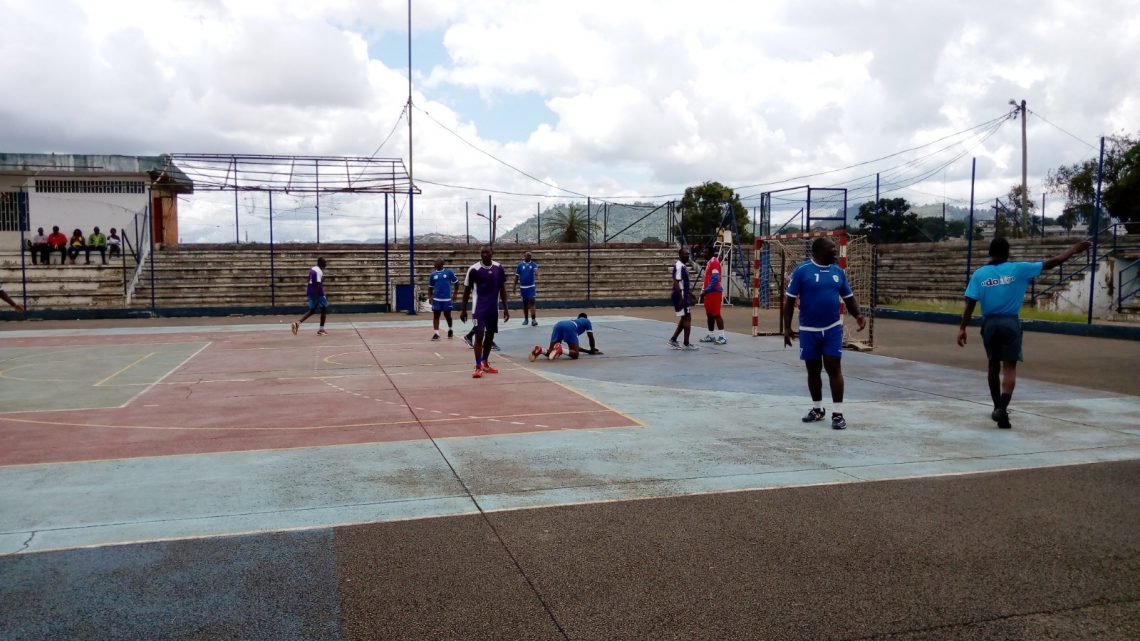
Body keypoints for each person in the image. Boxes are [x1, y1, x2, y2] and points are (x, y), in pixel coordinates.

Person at [957, 237, 1090, 429]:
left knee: (993, 366)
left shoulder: (980, 274)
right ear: (1007, 252)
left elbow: (970, 303)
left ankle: (997, 409)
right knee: (1009, 367)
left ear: (989, 253)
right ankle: (1002, 409)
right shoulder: (1019, 269)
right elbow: (1055, 262)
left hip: (990, 323)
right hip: (1010, 322)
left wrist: (963, 328)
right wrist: (1075, 249)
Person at [782, 237, 866, 430]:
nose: (835, 252)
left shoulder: (838, 272)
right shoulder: (802, 271)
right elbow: (789, 301)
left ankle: (838, 413)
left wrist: (858, 315)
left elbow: (849, 297)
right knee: (813, 370)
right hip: (808, 330)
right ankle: (817, 409)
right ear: (819, 252)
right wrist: (787, 327)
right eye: (832, 249)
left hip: (832, 329)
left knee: (833, 368)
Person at [460, 246, 509, 378]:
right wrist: (463, 310)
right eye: (482, 252)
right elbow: (466, 291)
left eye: (487, 252)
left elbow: (502, 290)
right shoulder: (474, 269)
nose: (485, 254)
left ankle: (485, 362)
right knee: (479, 335)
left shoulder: (499, 268)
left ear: (492, 253)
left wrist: (506, 308)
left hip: (493, 309)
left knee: (490, 336)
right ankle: (477, 366)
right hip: (479, 309)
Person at [529, 313, 603, 361]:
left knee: (550, 352)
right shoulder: (587, 321)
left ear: (578, 317)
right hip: (570, 328)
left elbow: (576, 348)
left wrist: (588, 351)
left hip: (558, 325)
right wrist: (592, 350)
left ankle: (541, 350)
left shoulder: (576, 321)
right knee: (575, 355)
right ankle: (561, 350)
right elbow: (591, 337)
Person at [667, 246, 699, 350]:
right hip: (679, 295)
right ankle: (686, 343)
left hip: (683, 294)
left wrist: (689, 293)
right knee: (687, 317)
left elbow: (682, 282)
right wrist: (681, 298)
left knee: (684, 317)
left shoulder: (683, 266)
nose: (687, 255)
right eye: (685, 254)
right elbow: (676, 282)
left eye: (688, 254)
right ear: (680, 255)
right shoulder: (679, 266)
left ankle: (673, 340)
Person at [291, 257, 329, 336]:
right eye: (324, 262)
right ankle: (321, 330)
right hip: (317, 293)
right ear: (320, 263)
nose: (326, 264)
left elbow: (309, 280)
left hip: (311, 292)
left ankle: (297, 323)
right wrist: (322, 295)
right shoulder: (319, 271)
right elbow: (318, 285)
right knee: (324, 309)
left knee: (312, 310)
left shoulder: (312, 269)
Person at [699, 246, 726, 344]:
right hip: (709, 293)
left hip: (714, 292)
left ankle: (722, 337)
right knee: (709, 314)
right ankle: (711, 335)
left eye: (705, 252)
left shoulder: (714, 262)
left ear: (710, 253)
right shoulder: (709, 262)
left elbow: (715, 279)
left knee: (716, 314)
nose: (703, 254)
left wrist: (706, 290)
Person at [428, 258, 458, 340]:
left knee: (447, 316)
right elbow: (430, 288)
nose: (435, 264)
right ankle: (436, 333)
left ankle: (450, 329)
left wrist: (455, 293)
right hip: (437, 299)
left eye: (437, 262)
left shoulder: (449, 272)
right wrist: (430, 297)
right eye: (435, 262)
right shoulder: (433, 274)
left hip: (447, 299)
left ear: (442, 264)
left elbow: (456, 283)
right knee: (436, 316)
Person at [514, 250, 539, 326]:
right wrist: (514, 286)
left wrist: (537, 273)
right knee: (525, 304)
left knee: (532, 301)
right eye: (527, 255)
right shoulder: (520, 265)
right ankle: (526, 319)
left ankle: (534, 320)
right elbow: (516, 276)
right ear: (524, 256)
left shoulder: (533, 264)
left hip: (531, 287)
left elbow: (536, 271)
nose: (529, 256)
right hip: (523, 287)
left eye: (530, 255)